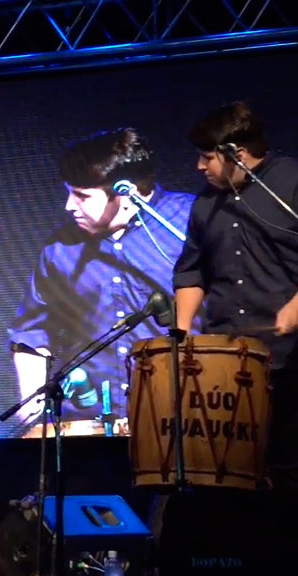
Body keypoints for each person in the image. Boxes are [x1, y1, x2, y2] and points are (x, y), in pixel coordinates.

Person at [8, 128, 197, 436]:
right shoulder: (59, 250)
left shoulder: (188, 220)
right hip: (91, 423)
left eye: (82, 195)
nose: (69, 205)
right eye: (69, 192)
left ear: (126, 191)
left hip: (183, 414)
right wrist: (32, 414)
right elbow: (32, 331)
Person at [173, 101, 298, 514]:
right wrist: (182, 331)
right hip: (227, 365)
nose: (199, 166)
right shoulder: (206, 205)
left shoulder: (292, 181)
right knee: (231, 475)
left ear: (235, 154)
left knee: (287, 468)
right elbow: (191, 273)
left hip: (290, 361)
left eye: (207, 157)